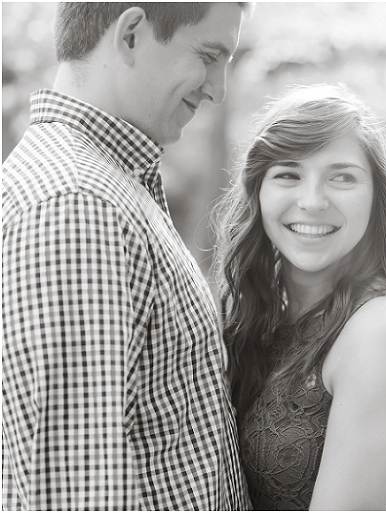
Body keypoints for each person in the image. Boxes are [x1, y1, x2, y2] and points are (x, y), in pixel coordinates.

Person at [2, 3, 252, 510]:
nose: (216, 88)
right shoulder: (78, 204)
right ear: (132, 34)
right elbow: (78, 496)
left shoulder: (105, 187)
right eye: (208, 55)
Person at [214, 83, 386, 510]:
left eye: (341, 177)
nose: (312, 201)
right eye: (288, 174)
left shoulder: (384, 330)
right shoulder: (264, 317)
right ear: (257, 192)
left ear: (375, 198)